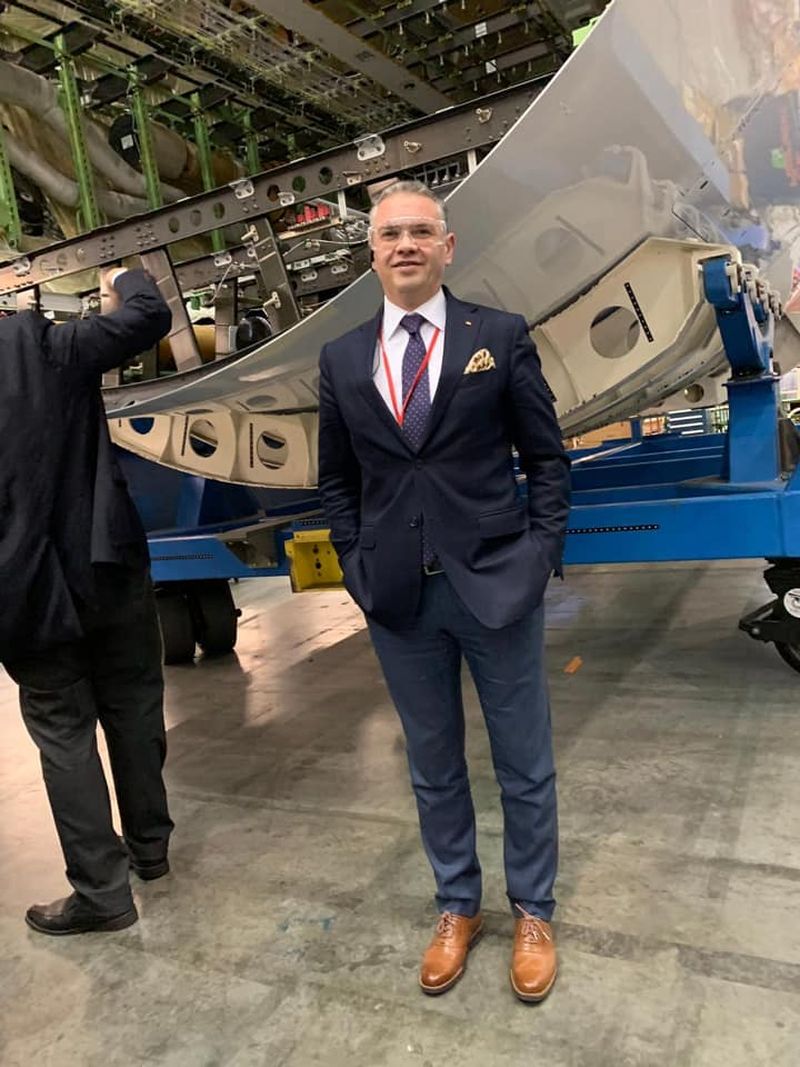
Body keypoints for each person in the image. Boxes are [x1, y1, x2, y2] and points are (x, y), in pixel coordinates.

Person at [318, 180, 570, 1001]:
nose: (406, 244)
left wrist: (538, 554)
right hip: (399, 597)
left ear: (447, 247)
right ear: (371, 253)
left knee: (523, 760)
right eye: (391, 233)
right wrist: (356, 565)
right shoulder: (343, 357)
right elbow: (337, 480)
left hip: (495, 585)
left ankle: (532, 910)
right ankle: (457, 905)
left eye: (421, 231)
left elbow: (547, 457)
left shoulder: (496, 335)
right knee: (432, 763)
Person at [0, 266, 175, 935]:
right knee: (133, 706)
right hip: (106, 567)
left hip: (22, 596)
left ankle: (103, 893)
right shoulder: (42, 345)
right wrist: (123, 277)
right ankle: (150, 849)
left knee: (64, 735)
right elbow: (148, 316)